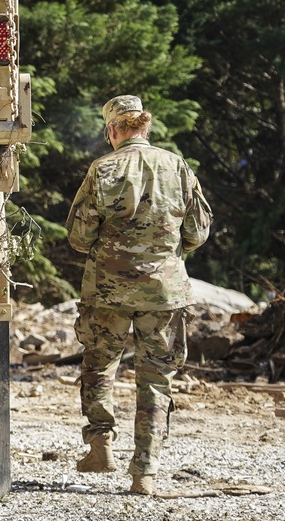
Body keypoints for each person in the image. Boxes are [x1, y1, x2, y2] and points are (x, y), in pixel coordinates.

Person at [65, 95, 212, 495]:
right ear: (145, 127)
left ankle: (100, 448)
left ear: (113, 130)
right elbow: (198, 232)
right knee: (156, 379)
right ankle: (144, 473)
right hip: (163, 293)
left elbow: (79, 237)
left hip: (107, 291)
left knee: (99, 367)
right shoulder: (177, 166)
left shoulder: (102, 168)